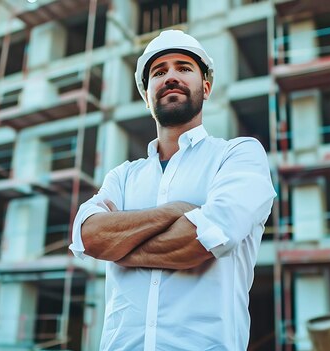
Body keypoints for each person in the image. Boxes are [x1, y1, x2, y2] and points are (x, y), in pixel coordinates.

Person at [70, 30, 276, 350]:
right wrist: (175, 211)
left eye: (183, 67)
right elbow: (89, 236)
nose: (171, 77)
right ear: (147, 94)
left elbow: (203, 240)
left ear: (205, 87)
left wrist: (120, 248)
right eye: (159, 71)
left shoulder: (238, 156)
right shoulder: (123, 176)